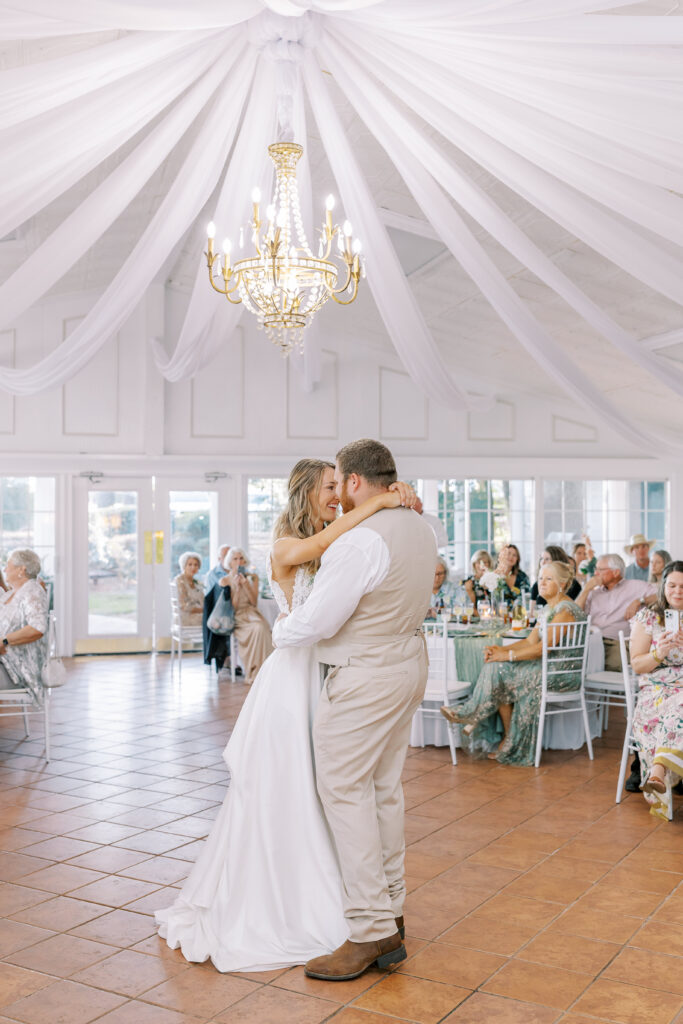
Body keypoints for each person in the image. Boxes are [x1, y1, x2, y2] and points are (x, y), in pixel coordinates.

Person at [156, 456, 419, 973]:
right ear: (304, 493)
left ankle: (352, 902)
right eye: (328, 487)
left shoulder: (342, 539)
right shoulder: (285, 546)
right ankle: (292, 902)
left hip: (330, 672)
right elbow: (322, 548)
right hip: (292, 676)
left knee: (333, 788)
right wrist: (381, 501)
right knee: (292, 782)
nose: (337, 495)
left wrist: (390, 497)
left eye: (341, 485)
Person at [273, 439, 436, 982]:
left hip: (366, 675)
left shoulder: (360, 541)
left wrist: (280, 631)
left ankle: (370, 929)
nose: (337, 491)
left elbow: (316, 622)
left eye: (339, 481)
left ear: (354, 482)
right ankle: (392, 909)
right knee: (383, 790)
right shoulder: (420, 526)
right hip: (408, 664)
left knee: (344, 791)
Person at [441, 561, 586, 765]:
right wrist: (500, 651)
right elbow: (529, 641)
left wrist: (507, 656)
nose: (542, 583)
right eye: (541, 578)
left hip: (561, 673)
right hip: (546, 668)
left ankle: (472, 714)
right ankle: (498, 732)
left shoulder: (565, 610)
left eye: (548, 579)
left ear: (562, 584)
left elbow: (541, 649)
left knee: (500, 671)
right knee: (495, 666)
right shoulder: (549, 608)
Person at [629, 560, 683, 820]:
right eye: (672, 585)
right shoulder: (648, 617)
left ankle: (658, 769)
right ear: (663, 587)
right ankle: (661, 769)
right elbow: (638, 664)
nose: (678, 591)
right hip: (656, 690)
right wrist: (658, 653)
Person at [575, 554, 656, 671]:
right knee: (576, 666)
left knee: (613, 668)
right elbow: (575, 613)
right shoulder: (593, 593)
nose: (595, 573)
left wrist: (639, 601)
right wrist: (586, 589)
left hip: (615, 642)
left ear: (616, 572)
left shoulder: (636, 586)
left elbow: (662, 596)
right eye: (596, 569)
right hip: (590, 641)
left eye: (600, 570)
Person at [0, 549, 48, 702]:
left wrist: (4, 641)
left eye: (8, 566)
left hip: (17, 670)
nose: (5, 570)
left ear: (21, 570)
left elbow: (38, 628)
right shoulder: (12, 594)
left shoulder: (32, 591)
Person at [220, 548, 271, 686]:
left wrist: (246, 585)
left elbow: (254, 603)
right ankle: (255, 671)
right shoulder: (224, 581)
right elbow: (232, 607)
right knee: (258, 628)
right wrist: (237, 588)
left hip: (252, 613)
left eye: (241, 558)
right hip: (237, 616)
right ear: (230, 562)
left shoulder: (252, 578)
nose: (238, 562)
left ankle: (266, 672)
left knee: (262, 627)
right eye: (235, 559)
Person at [173, 551, 204, 627]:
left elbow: (203, 602)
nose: (193, 567)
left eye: (196, 565)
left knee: (216, 619)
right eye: (190, 564)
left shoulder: (197, 582)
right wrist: (203, 610)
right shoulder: (179, 581)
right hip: (185, 616)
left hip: (197, 614)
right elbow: (184, 606)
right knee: (213, 621)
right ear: (184, 566)